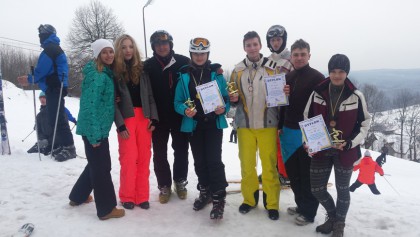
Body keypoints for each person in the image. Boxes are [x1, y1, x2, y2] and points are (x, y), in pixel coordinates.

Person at [304, 54, 371, 236]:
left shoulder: (356, 96)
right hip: (321, 149)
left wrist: (350, 143)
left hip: (345, 151)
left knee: (342, 190)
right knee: (317, 189)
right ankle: (333, 217)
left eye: (341, 71)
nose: (336, 75)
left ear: (346, 72)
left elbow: (365, 124)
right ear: (329, 71)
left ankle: (339, 224)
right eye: (333, 71)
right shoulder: (317, 93)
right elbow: (307, 117)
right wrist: (308, 140)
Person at [229, 31, 287, 221]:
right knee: (247, 165)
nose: (252, 48)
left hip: (267, 124)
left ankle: (272, 204)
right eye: (248, 45)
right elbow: (233, 99)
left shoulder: (273, 68)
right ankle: (249, 200)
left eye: (255, 44)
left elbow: (281, 97)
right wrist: (234, 99)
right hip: (245, 125)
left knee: (269, 167)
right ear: (244, 47)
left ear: (260, 45)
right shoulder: (237, 70)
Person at [68, 39, 125, 220]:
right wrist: (93, 136)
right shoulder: (98, 76)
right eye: (104, 52)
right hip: (95, 129)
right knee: (102, 168)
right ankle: (106, 209)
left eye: (110, 51)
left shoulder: (102, 73)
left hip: (97, 127)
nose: (109, 55)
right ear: (97, 55)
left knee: (96, 164)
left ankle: (78, 196)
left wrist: (111, 100)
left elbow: (99, 100)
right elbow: (89, 107)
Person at [174, 37, 229, 219]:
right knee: (199, 162)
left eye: (203, 53)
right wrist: (185, 110)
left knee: (214, 161)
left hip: (213, 124)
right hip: (194, 125)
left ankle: (219, 198)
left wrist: (224, 108)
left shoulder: (217, 73)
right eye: (196, 53)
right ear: (191, 54)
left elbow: (227, 100)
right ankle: (205, 192)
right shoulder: (183, 75)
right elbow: (177, 102)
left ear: (207, 54)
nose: (199, 56)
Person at [279, 39, 325, 226]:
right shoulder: (288, 77)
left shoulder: (317, 78)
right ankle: (300, 205)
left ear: (309, 56)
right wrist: (280, 125)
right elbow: (283, 105)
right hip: (289, 131)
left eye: (302, 54)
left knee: (307, 175)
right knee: (293, 173)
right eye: (295, 55)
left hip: (308, 133)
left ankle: (309, 212)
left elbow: (323, 108)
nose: (299, 58)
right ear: (291, 56)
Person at [143, 30, 190, 204]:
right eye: (158, 44)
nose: (162, 47)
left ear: (170, 45)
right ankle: (164, 185)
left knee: (181, 150)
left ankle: (180, 181)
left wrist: (215, 69)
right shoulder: (147, 66)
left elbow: (201, 68)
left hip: (180, 116)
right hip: (158, 118)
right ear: (153, 47)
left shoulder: (184, 62)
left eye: (165, 43)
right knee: (160, 153)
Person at [17, 24, 76, 162]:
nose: (40, 37)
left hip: (55, 86)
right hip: (54, 86)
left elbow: (41, 70)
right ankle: (60, 145)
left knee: (58, 118)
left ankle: (69, 147)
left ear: (47, 35)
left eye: (42, 34)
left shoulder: (50, 49)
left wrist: (29, 79)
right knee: (53, 117)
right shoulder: (52, 48)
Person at [113, 34, 159, 210]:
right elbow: (112, 102)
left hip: (144, 119)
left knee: (144, 157)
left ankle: (142, 196)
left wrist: (154, 117)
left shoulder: (142, 71)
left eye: (130, 46)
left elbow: (150, 96)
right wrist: (120, 124)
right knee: (129, 158)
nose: (128, 50)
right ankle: (127, 196)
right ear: (119, 50)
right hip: (127, 119)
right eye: (123, 47)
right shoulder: (115, 73)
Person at [266, 25, 293, 187]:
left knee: (282, 142)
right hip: (271, 108)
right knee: (271, 143)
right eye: (273, 40)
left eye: (278, 40)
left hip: (286, 107)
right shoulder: (268, 59)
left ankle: (285, 173)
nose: (276, 43)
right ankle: (275, 170)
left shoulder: (291, 58)